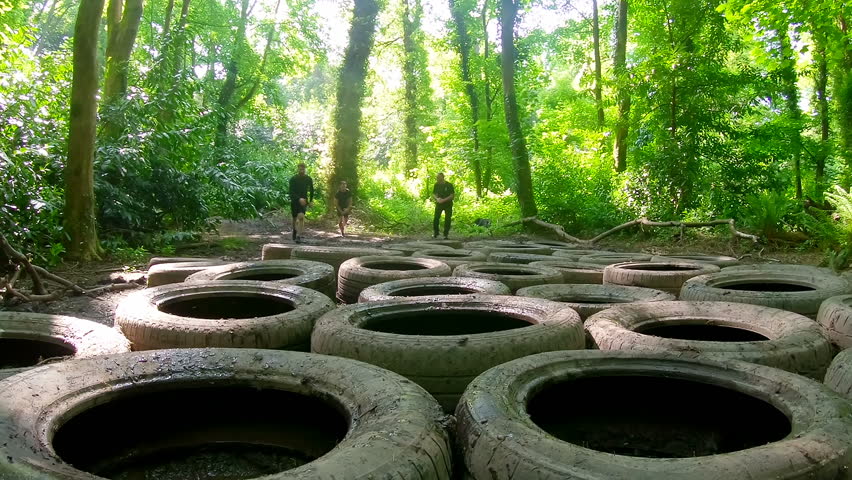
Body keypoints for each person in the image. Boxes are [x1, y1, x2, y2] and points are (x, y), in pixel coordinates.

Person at [288, 162, 313, 243]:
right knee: (295, 218)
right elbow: (291, 192)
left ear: (305, 169)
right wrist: (298, 199)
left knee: (301, 217)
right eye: (300, 168)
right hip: (295, 201)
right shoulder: (293, 179)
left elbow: (312, 190)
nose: (301, 170)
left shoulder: (308, 179)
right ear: (298, 169)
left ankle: (299, 235)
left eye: (303, 168)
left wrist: (310, 201)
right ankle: (294, 231)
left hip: (304, 201)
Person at [432, 172, 454, 239]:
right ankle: (436, 233)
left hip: (448, 204)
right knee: (436, 218)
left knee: (447, 219)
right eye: (437, 177)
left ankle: (446, 234)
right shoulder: (436, 185)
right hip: (439, 204)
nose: (437, 178)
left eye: (438, 177)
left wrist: (444, 200)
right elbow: (434, 194)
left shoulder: (449, 185)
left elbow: (452, 195)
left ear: (442, 177)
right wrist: (437, 199)